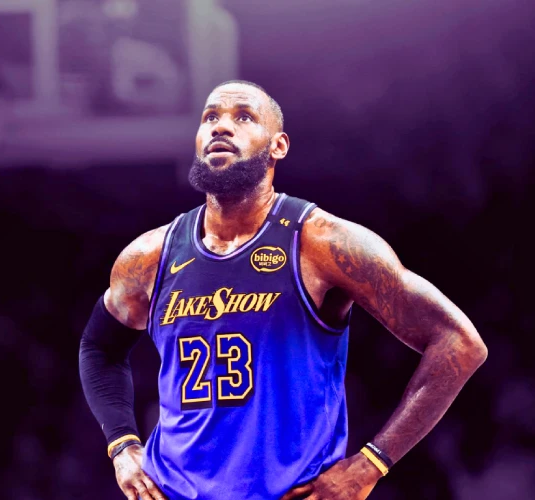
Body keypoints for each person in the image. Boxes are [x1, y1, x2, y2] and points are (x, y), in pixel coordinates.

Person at [79, 80, 488, 500]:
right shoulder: (149, 256)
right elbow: (99, 348)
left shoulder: (323, 243)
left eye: (243, 117)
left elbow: (459, 342)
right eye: (210, 116)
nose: (221, 126)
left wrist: (371, 464)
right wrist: (122, 446)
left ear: (278, 146)